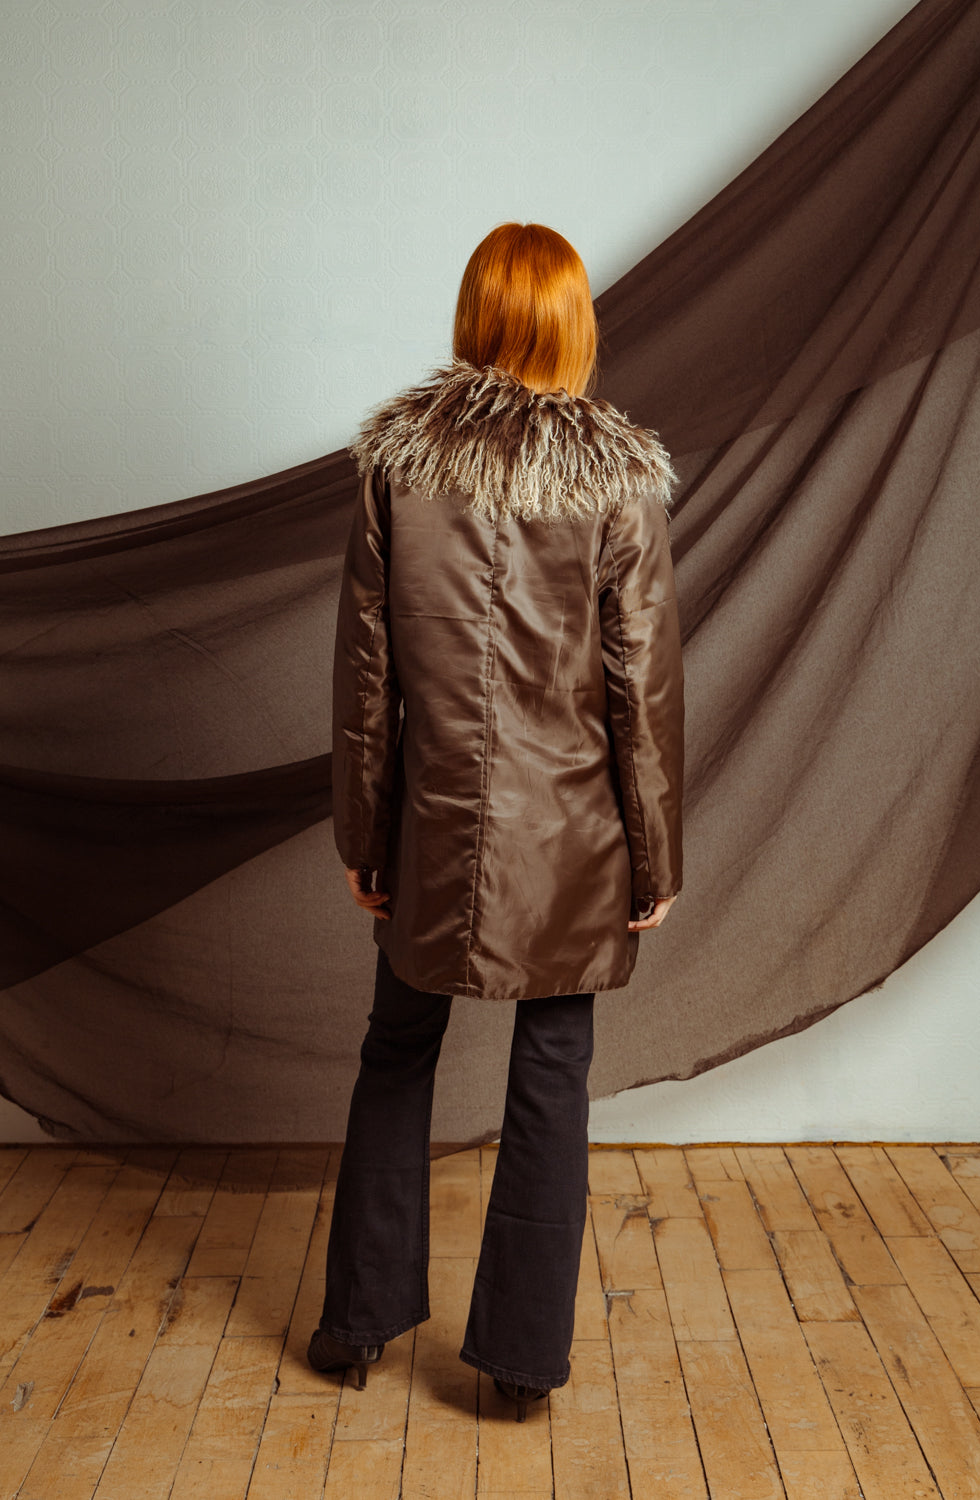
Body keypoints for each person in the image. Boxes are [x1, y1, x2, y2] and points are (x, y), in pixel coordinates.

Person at [308, 222, 684, 1421]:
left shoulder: (397, 464)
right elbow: (643, 687)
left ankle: (355, 1326)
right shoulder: (616, 478)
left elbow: (366, 675)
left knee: (394, 1052)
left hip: (430, 824)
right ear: (572, 324)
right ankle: (519, 1366)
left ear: (475, 318)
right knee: (553, 1073)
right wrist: (654, 852)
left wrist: (363, 840)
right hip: (569, 838)